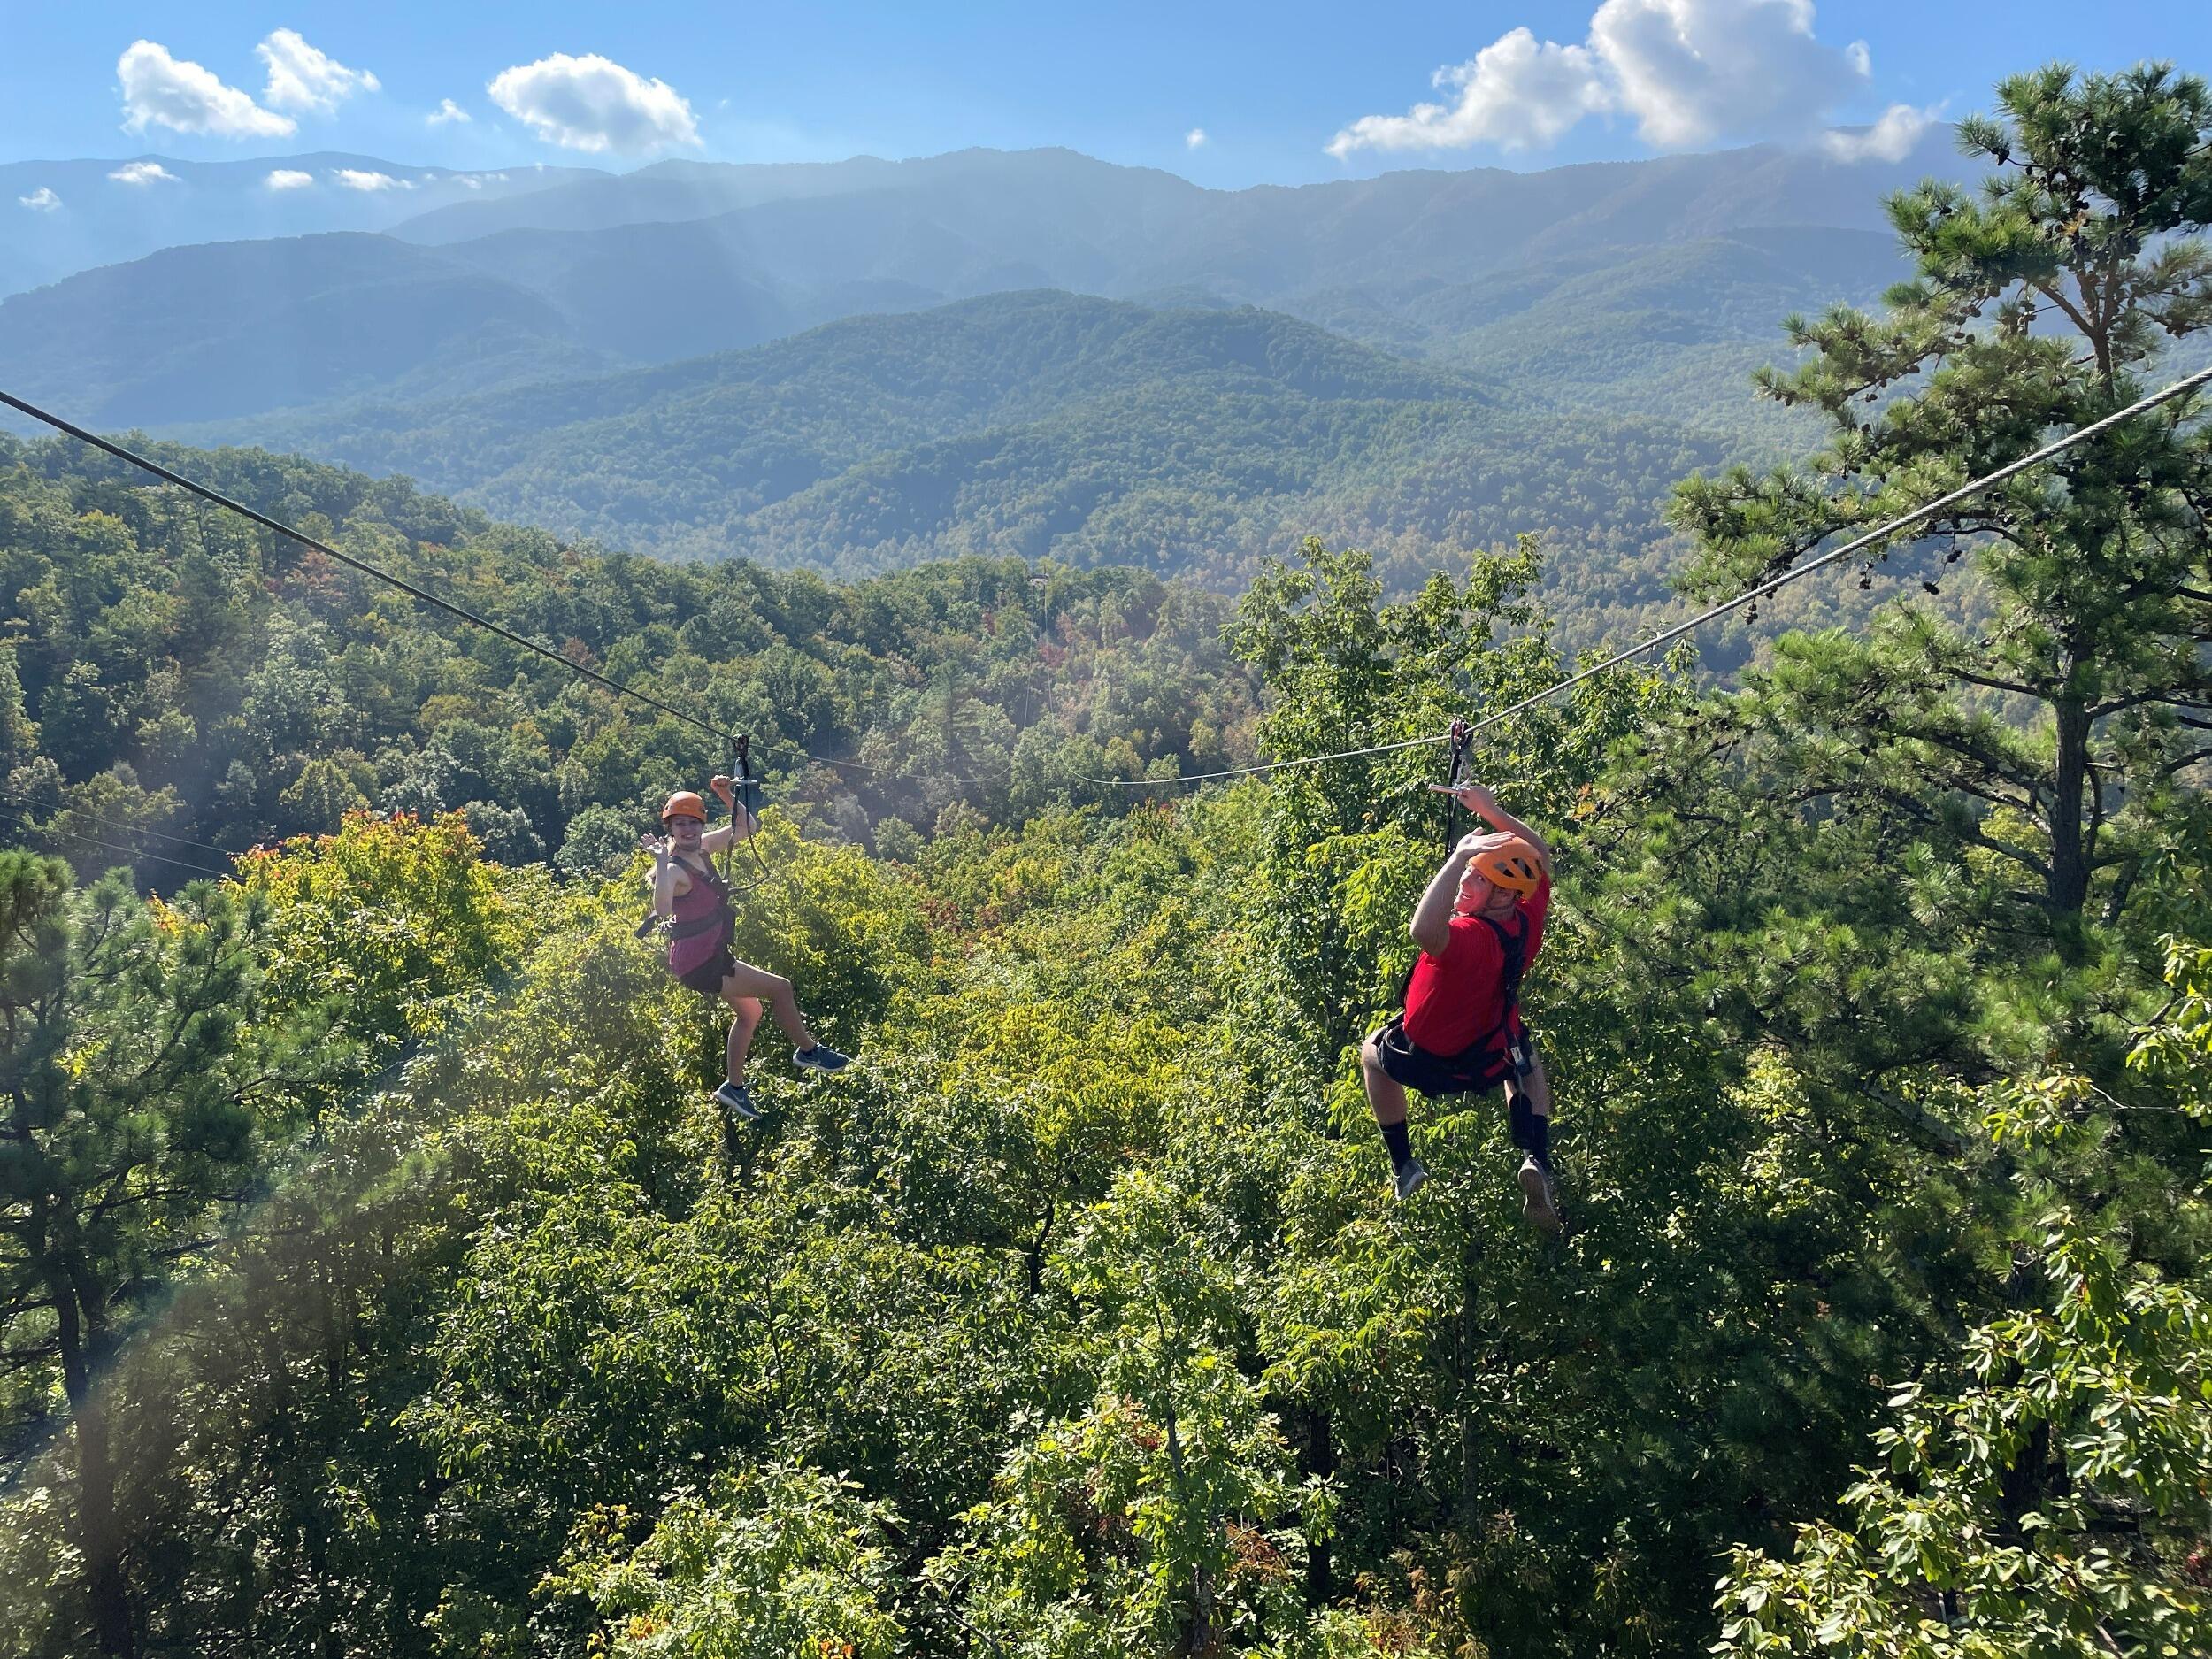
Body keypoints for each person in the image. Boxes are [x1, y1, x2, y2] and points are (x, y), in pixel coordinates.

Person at [1360, 780, 1560, 1231]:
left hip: (1425, 1060)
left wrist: (1455, 858)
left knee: (1372, 1053)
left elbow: (1423, 932)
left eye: (1479, 880)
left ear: (1506, 895)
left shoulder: (1469, 938)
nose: (1465, 883)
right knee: (1524, 1063)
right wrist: (1491, 812)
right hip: (1487, 1054)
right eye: (1469, 874)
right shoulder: (1526, 923)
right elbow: (1539, 856)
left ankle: (1403, 1164)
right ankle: (1535, 1156)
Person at [641, 776, 850, 1121]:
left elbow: (748, 826)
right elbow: (663, 908)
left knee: (750, 1012)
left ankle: (733, 1088)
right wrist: (662, 862)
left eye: (693, 823)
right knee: (780, 988)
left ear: (700, 825)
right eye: (680, 824)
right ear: (670, 828)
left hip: (711, 955)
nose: (688, 830)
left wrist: (724, 793)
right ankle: (808, 1051)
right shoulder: (675, 869)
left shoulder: (703, 849)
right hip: (700, 963)